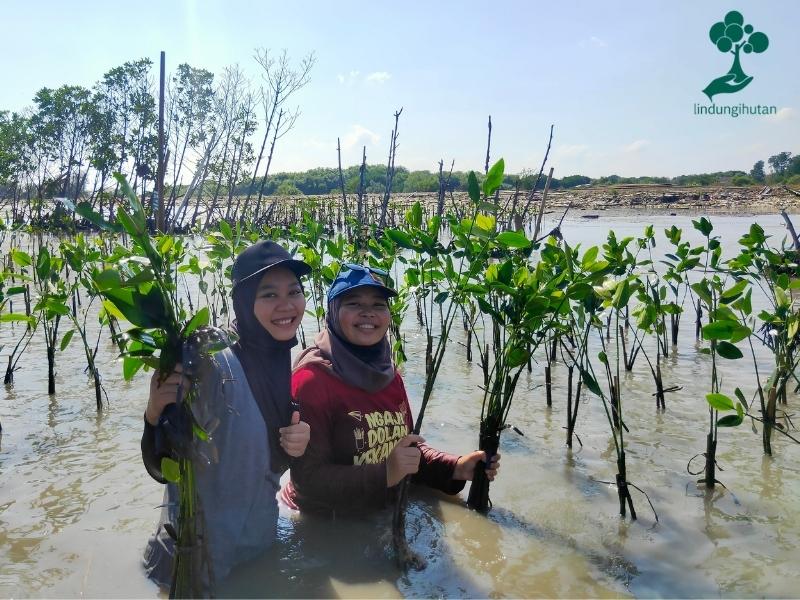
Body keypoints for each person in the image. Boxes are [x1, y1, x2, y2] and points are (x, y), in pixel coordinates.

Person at [140, 241, 312, 588]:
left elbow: (263, 464)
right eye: (268, 295)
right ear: (244, 301)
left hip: (255, 557)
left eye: (294, 291)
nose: (286, 305)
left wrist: (297, 444)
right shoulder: (210, 360)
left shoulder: (279, 359)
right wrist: (154, 412)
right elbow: (161, 468)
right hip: (191, 567)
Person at [282, 264, 500, 515]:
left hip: (383, 508)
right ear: (332, 312)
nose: (368, 313)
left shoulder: (389, 374)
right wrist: (384, 474)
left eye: (378, 305)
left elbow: (404, 451)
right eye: (354, 304)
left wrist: (456, 467)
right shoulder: (312, 380)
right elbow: (307, 482)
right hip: (326, 522)